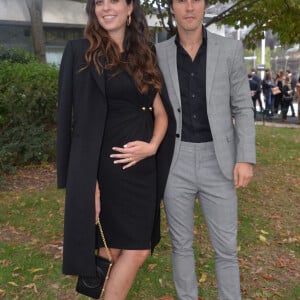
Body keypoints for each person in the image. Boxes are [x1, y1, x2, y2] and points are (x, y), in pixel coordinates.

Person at [56, 0, 175, 299]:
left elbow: (161, 113)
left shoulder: (146, 53)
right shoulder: (79, 52)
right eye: (99, 2)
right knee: (126, 250)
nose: (106, 7)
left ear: (130, 8)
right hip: (105, 169)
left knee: (126, 249)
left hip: (143, 171)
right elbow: (72, 123)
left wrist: (152, 147)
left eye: (114, 1)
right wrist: (87, 184)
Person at [155, 0, 256, 299]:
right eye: (181, 1)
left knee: (226, 249)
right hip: (176, 161)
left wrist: (246, 157)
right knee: (181, 246)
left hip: (220, 160)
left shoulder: (229, 50)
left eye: (195, 0)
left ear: (204, 5)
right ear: (172, 7)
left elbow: (243, 106)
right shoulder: (157, 53)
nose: (189, 7)